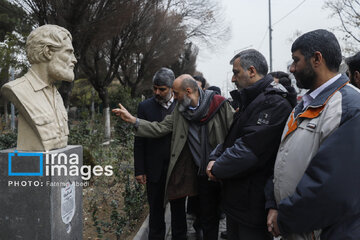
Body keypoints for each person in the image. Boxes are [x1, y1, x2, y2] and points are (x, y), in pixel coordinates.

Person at [113, 74, 234, 240]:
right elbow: (160, 128)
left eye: (176, 93)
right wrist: (134, 121)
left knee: (217, 216)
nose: (174, 97)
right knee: (204, 216)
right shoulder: (181, 110)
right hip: (199, 173)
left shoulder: (219, 105)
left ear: (189, 91)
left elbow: (234, 133)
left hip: (219, 169)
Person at [266, 29, 360, 240]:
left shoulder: (350, 106)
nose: (291, 68)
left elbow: (331, 187)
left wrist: (285, 218)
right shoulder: (304, 105)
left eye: (295, 60)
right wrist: (273, 204)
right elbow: (283, 157)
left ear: (317, 58)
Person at [206, 49, 296, 240]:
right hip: (237, 201)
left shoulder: (273, 103)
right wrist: (214, 157)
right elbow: (231, 140)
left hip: (253, 204)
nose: (232, 78)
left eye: (236, 72)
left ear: (252, 71)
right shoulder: (252, 99)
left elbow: (248, 151)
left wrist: (217, 167)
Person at [1, 24, 77, 151]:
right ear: (48, 52)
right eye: (69, 52)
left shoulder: (57, 95)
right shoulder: (17, 90)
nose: (74, 60)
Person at [134, 67, 187, 240]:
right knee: (156, 212)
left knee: (179, 212)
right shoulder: (145, 107)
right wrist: (140, 169)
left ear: (172, 88)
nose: (157, 92)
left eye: (162, 89)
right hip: (154, 169)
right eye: (155, 88)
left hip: (177, 170)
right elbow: (139, 140)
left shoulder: (182, 105)